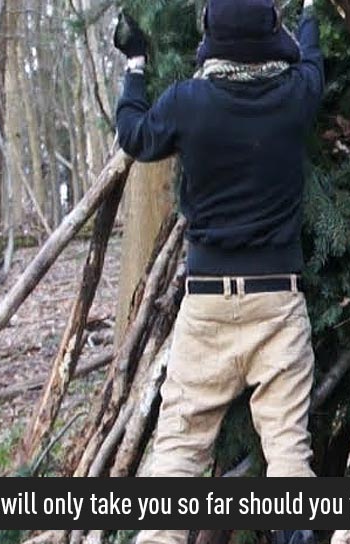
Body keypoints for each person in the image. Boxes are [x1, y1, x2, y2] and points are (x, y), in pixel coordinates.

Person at [111, 1, 323, 543]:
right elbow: (312, 61)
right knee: (287, 452)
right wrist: (310, 15)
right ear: (268, 33)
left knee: (178, 458)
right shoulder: (295, 96)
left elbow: (134, 135)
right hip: (277, 301)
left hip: (206, 305)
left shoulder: (188, 102)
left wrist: (136, 63)